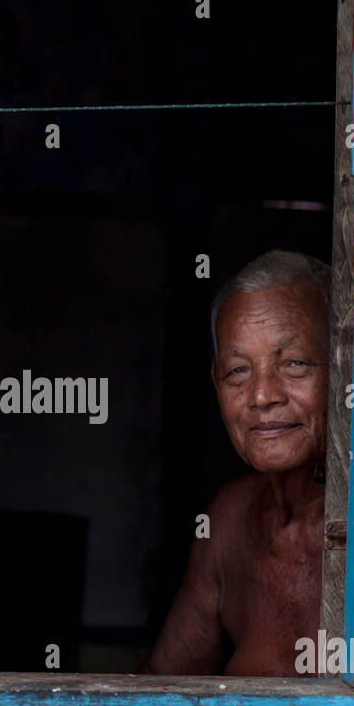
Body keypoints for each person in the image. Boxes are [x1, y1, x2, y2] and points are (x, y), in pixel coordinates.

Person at [139, 250, 331, 676]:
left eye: (294, 364)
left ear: (343, 366)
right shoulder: (230, 519)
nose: (262, 395)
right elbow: (161, 685)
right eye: (239, 371)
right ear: (216, 381)